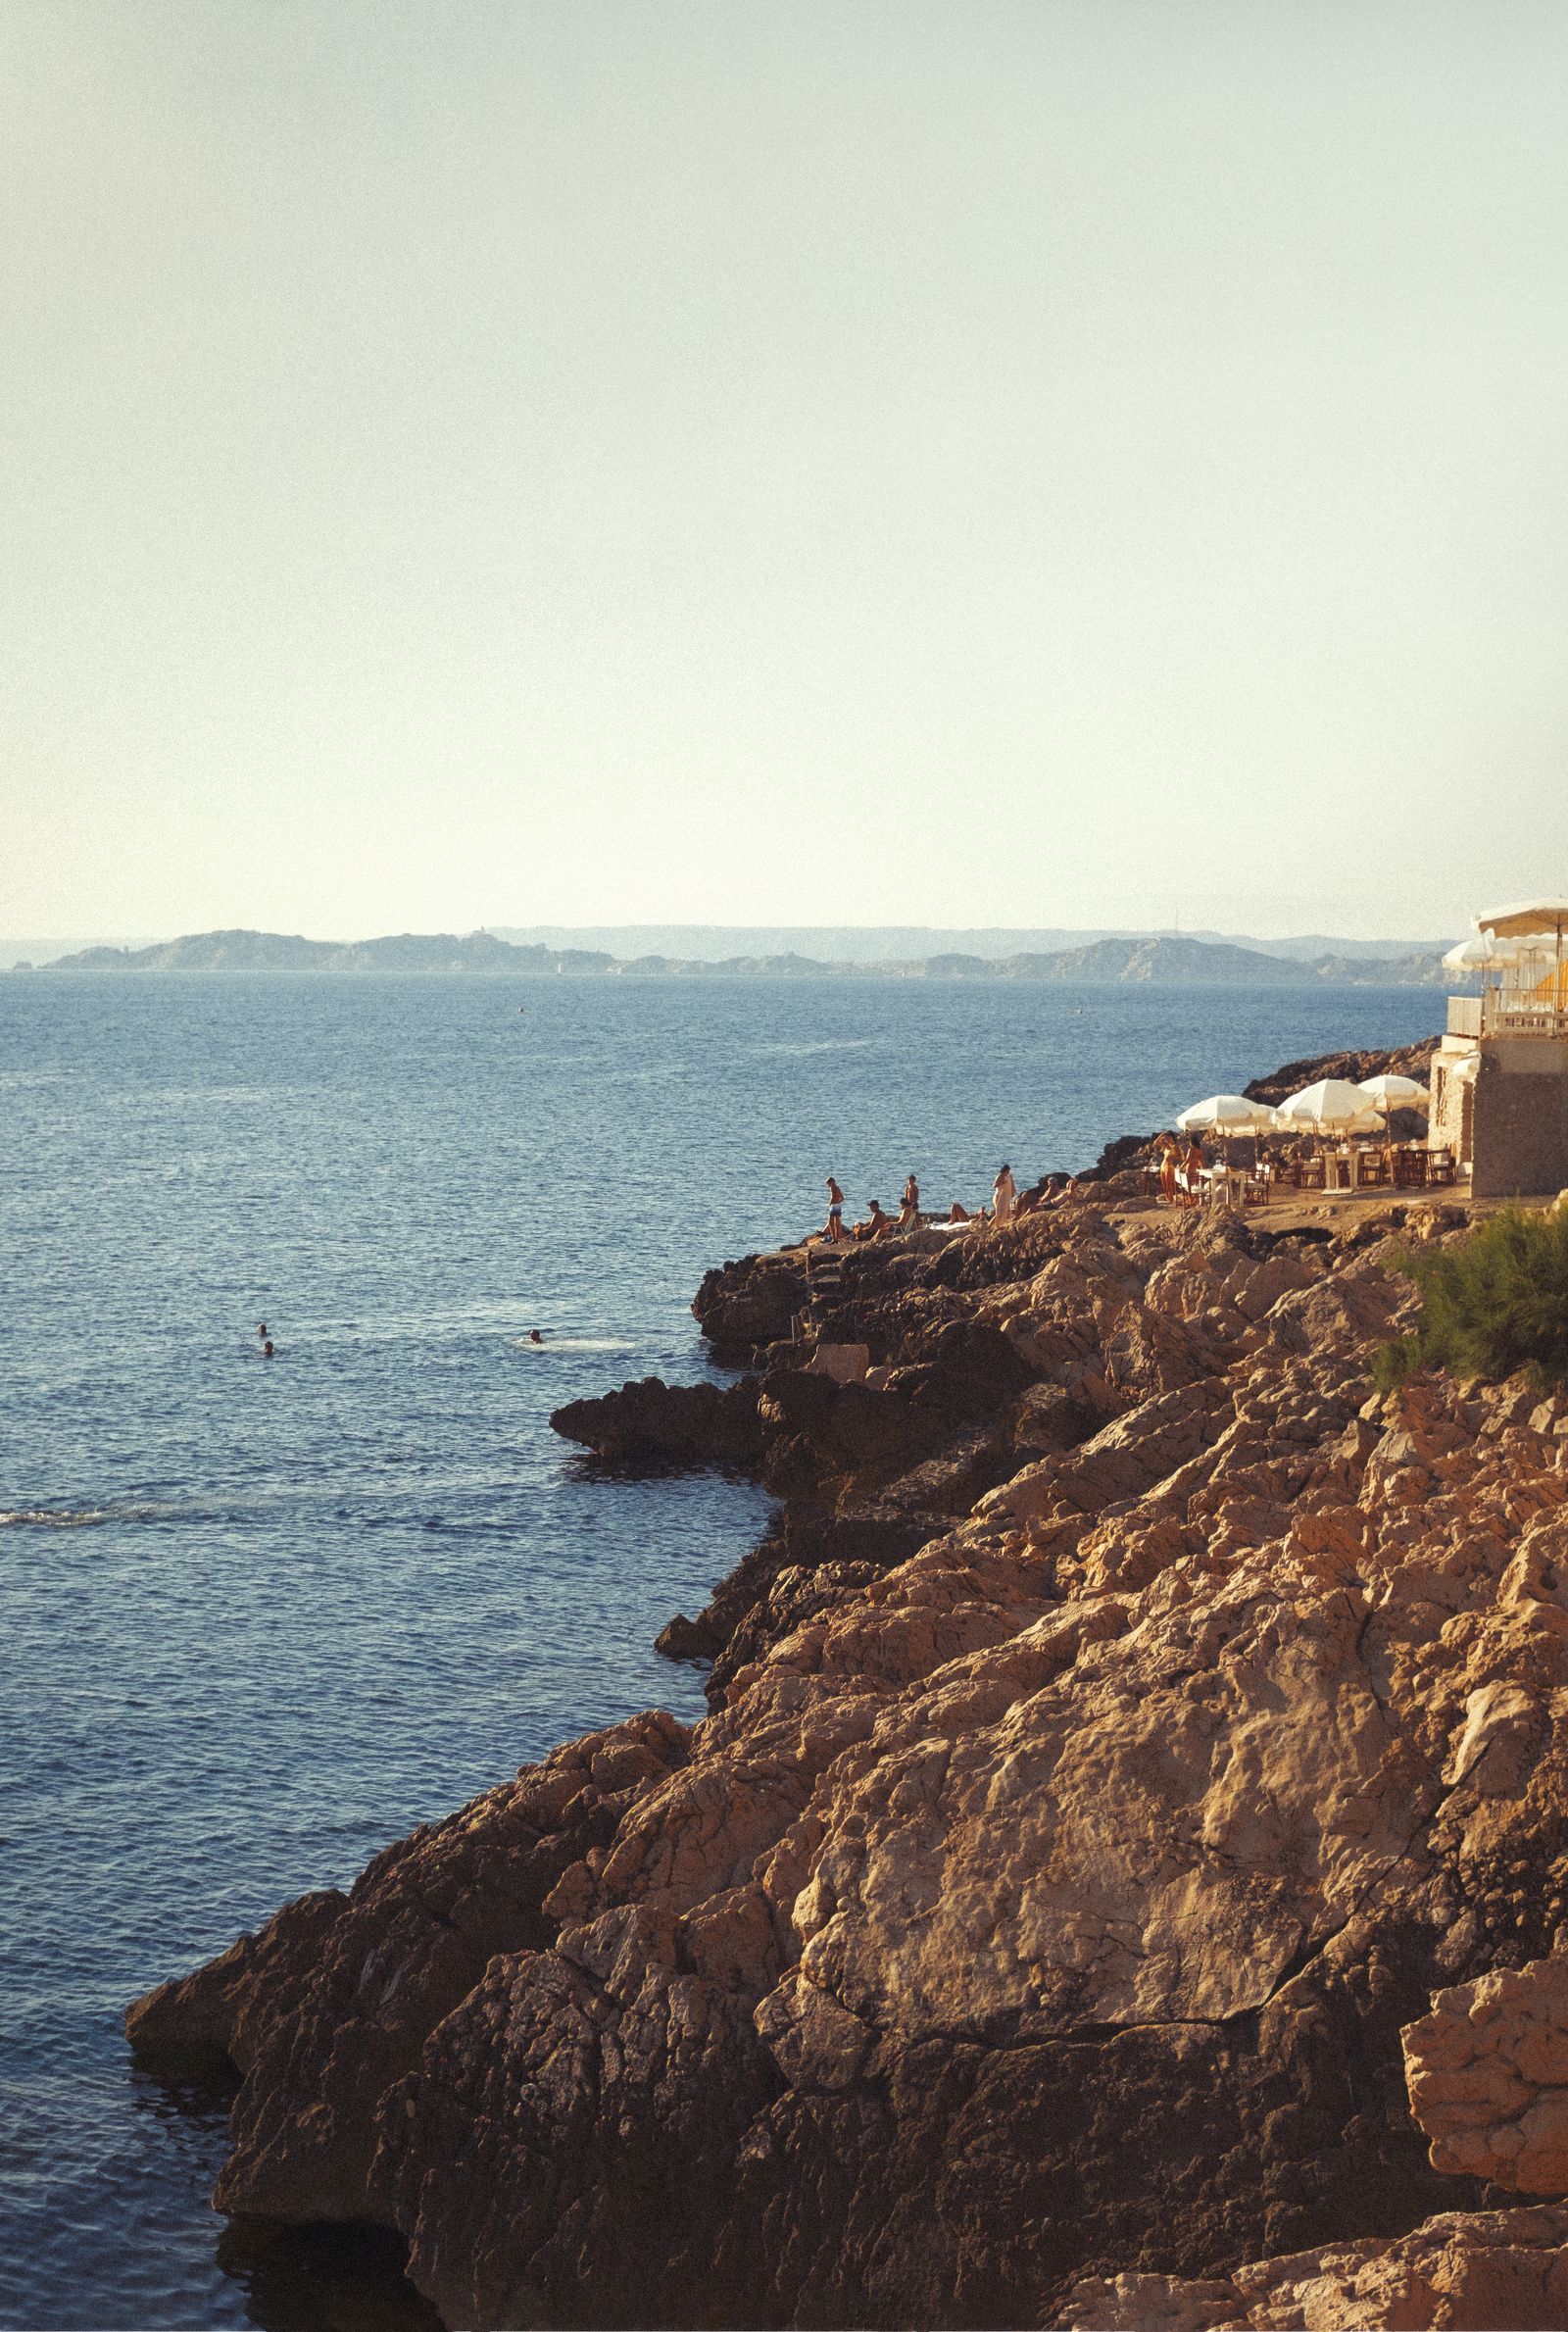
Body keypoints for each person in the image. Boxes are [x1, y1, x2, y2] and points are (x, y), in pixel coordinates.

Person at [1155, 1134, 1179, 1207]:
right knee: (1164, 1185)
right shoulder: (1166, 1146)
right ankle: (1168, 1199)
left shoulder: (1175, 1147)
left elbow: (1181, 1157)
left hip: (1169, 1166)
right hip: (1162, 1166)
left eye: (1168, 1138)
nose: (1166, 1139)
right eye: (1165, 1138)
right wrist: (1162, 1134)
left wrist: (1173, 1159)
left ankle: (1171, 1200)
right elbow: (1156, 1142)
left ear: (1172, 1138)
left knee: (1169, 1185)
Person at [824, 1176, 848, 1242]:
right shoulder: (838, 1188)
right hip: (838, 1206)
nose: (828, 1185)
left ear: (831, 1183)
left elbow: (832, 1197)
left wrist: (830, 1204)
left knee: (830, 1223)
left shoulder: (832, 1188)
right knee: (836, 1223)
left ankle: (834, 1239)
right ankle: (837, 1238)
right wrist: (838, 1203)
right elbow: (842, 1198)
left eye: (828, 1184)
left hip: (834, 1206)